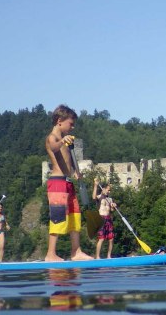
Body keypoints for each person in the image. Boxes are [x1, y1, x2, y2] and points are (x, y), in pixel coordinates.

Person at [44, 104, 93, 262]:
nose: (72, 127)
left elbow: (69, 161)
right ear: (59, 121)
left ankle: (76, 252)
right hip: (57, 182)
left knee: (75, 216)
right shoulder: (52, 137)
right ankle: (50, 254)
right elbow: (54, 147)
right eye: (70, 124)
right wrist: (62, 141)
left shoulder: (66, 140)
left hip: (68, 182)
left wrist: (77, 173)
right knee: (58, 216)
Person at [92, 180, 117, 259]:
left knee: (111, 239)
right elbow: (93, 197)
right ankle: (98, 257)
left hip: (108, 219)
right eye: (108, 190)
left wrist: (113, 206)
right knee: (101, 239)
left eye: (110, 190)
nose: (109, 192)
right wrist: (95, 185)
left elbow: (112, 210)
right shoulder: (99, 197)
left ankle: (109, 256)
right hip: (101, 219)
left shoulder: (110, 199)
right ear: (103, 189)